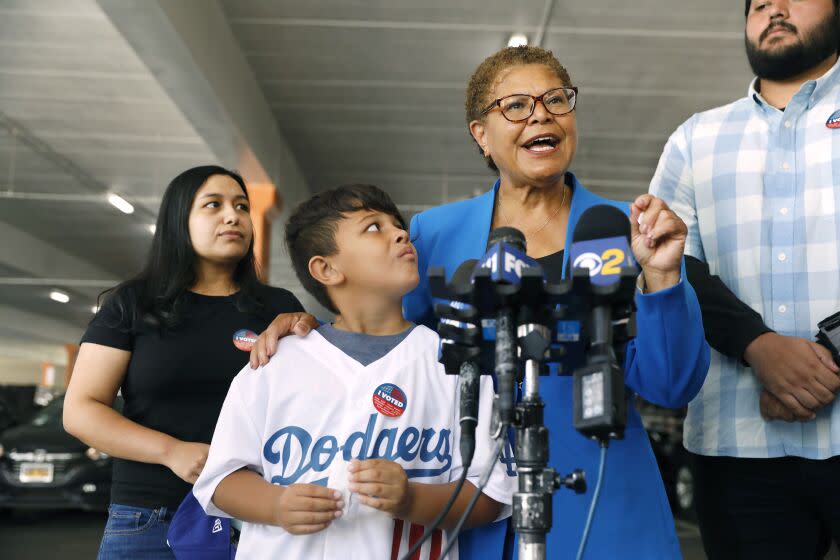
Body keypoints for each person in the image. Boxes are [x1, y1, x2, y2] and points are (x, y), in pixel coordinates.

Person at [250, 46, 710, 559]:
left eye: (556, 100)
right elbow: (391, 345)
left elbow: (670, 386)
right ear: (481, 135)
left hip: (599, 499)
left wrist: (664, 275)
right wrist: (315, 327)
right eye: (516, 105)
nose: (541, 114)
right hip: (475, 514)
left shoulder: (625, 230)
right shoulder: (435, 234)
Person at [191, 184, 513, 559]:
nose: (401, 233)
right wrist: (276, 505)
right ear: (326, 268)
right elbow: (220, 481)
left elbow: (492, 495)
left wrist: (412, 499)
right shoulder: (274, 362)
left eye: (398, 224)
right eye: (373, 227)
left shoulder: (457, 363)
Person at [650, 1, 840, 557]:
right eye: (759, 3)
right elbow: (671, 263)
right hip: (737, 444)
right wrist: (760, 349)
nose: (773, 9)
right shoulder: (696, 138)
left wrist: (815, 368)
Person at [63, 165, 305, 559]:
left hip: (255, 516)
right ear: (179, 221)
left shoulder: (278, 309)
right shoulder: (133, 304)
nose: (234, 216)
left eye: (242, 206)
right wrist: (170, 451)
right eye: (214, 205)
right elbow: (80, 411)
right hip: (151, 516)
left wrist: (309, 329)